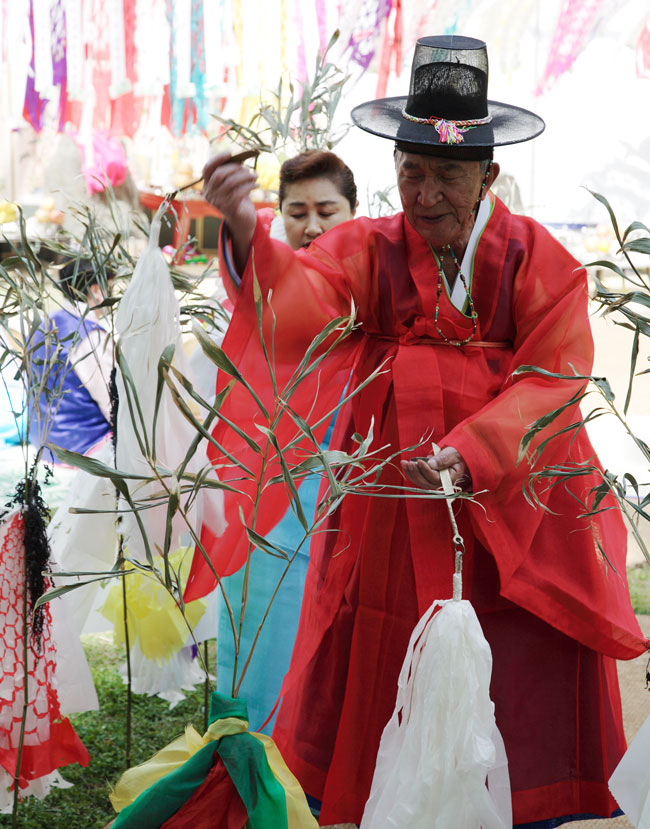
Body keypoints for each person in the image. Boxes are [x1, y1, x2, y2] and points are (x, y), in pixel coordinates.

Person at [190, 35, 647, 827]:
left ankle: (521, 809)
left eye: (447, 173)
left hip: (510, 511)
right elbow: (302, 298)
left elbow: (554, 376)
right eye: (411, 170)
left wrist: (475, 450)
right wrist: (246, 235)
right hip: (394, 512)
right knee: (380, 655)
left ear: (489, 175)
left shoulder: (539, 258)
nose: (425, 191)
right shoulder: (371, 248)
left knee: (517, 675)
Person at [215, 149, 358, 733]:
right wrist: (242, 223)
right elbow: (267, 282)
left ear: (356, 212)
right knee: (264, 618)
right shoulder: (278, 276)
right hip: (275, 488)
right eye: (296, 211)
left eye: (328, 209)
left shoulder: (374, 277)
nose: (313, 225)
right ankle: (254, 752)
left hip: (350, 481)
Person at [29, 257, 113, 459]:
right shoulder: (90, 336)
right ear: (95, 290)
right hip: (84, 447)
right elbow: (111, 402)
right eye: (110, 289)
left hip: (42, 444)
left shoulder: (42, 325)